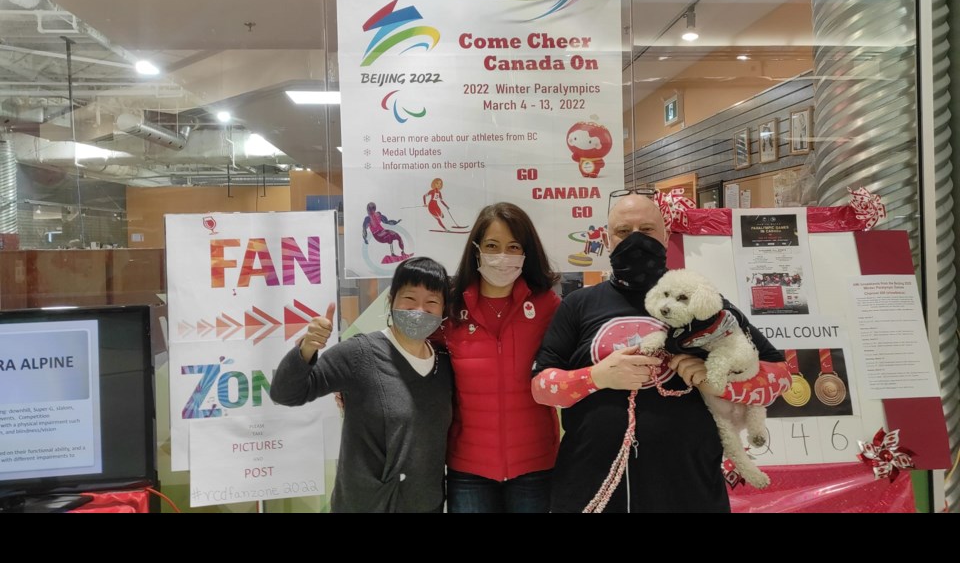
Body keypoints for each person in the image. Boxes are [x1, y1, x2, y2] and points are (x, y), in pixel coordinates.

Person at [531, 192, 790, 513]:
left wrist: (721, 385)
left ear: (666, 236)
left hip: (688, 487)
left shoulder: (703, 303)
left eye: (647, 229)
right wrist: (597, 376)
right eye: (624, 231)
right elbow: (541, 387)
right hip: (593, 484)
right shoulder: (579, 305)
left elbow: (780, 376)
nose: (636, 239)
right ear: (607, 239)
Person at [270, 256, 452, 513]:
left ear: (443, 309)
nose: (419, 310)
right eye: (409, 299)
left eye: (432, 301)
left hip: (426, 505)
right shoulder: (360, 353)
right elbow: (285, 393)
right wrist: (308, 347)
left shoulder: (444, 365)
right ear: (391, 301)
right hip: (364, 505)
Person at [443, 202, 561, 512]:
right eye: (492, 246)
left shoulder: (547, 306)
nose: (502, 256)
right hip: (469, 469)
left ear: (526, 252)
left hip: (535, 465)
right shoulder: (450, 307)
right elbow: (408, 349)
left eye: (513, 247)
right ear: (476, 250)